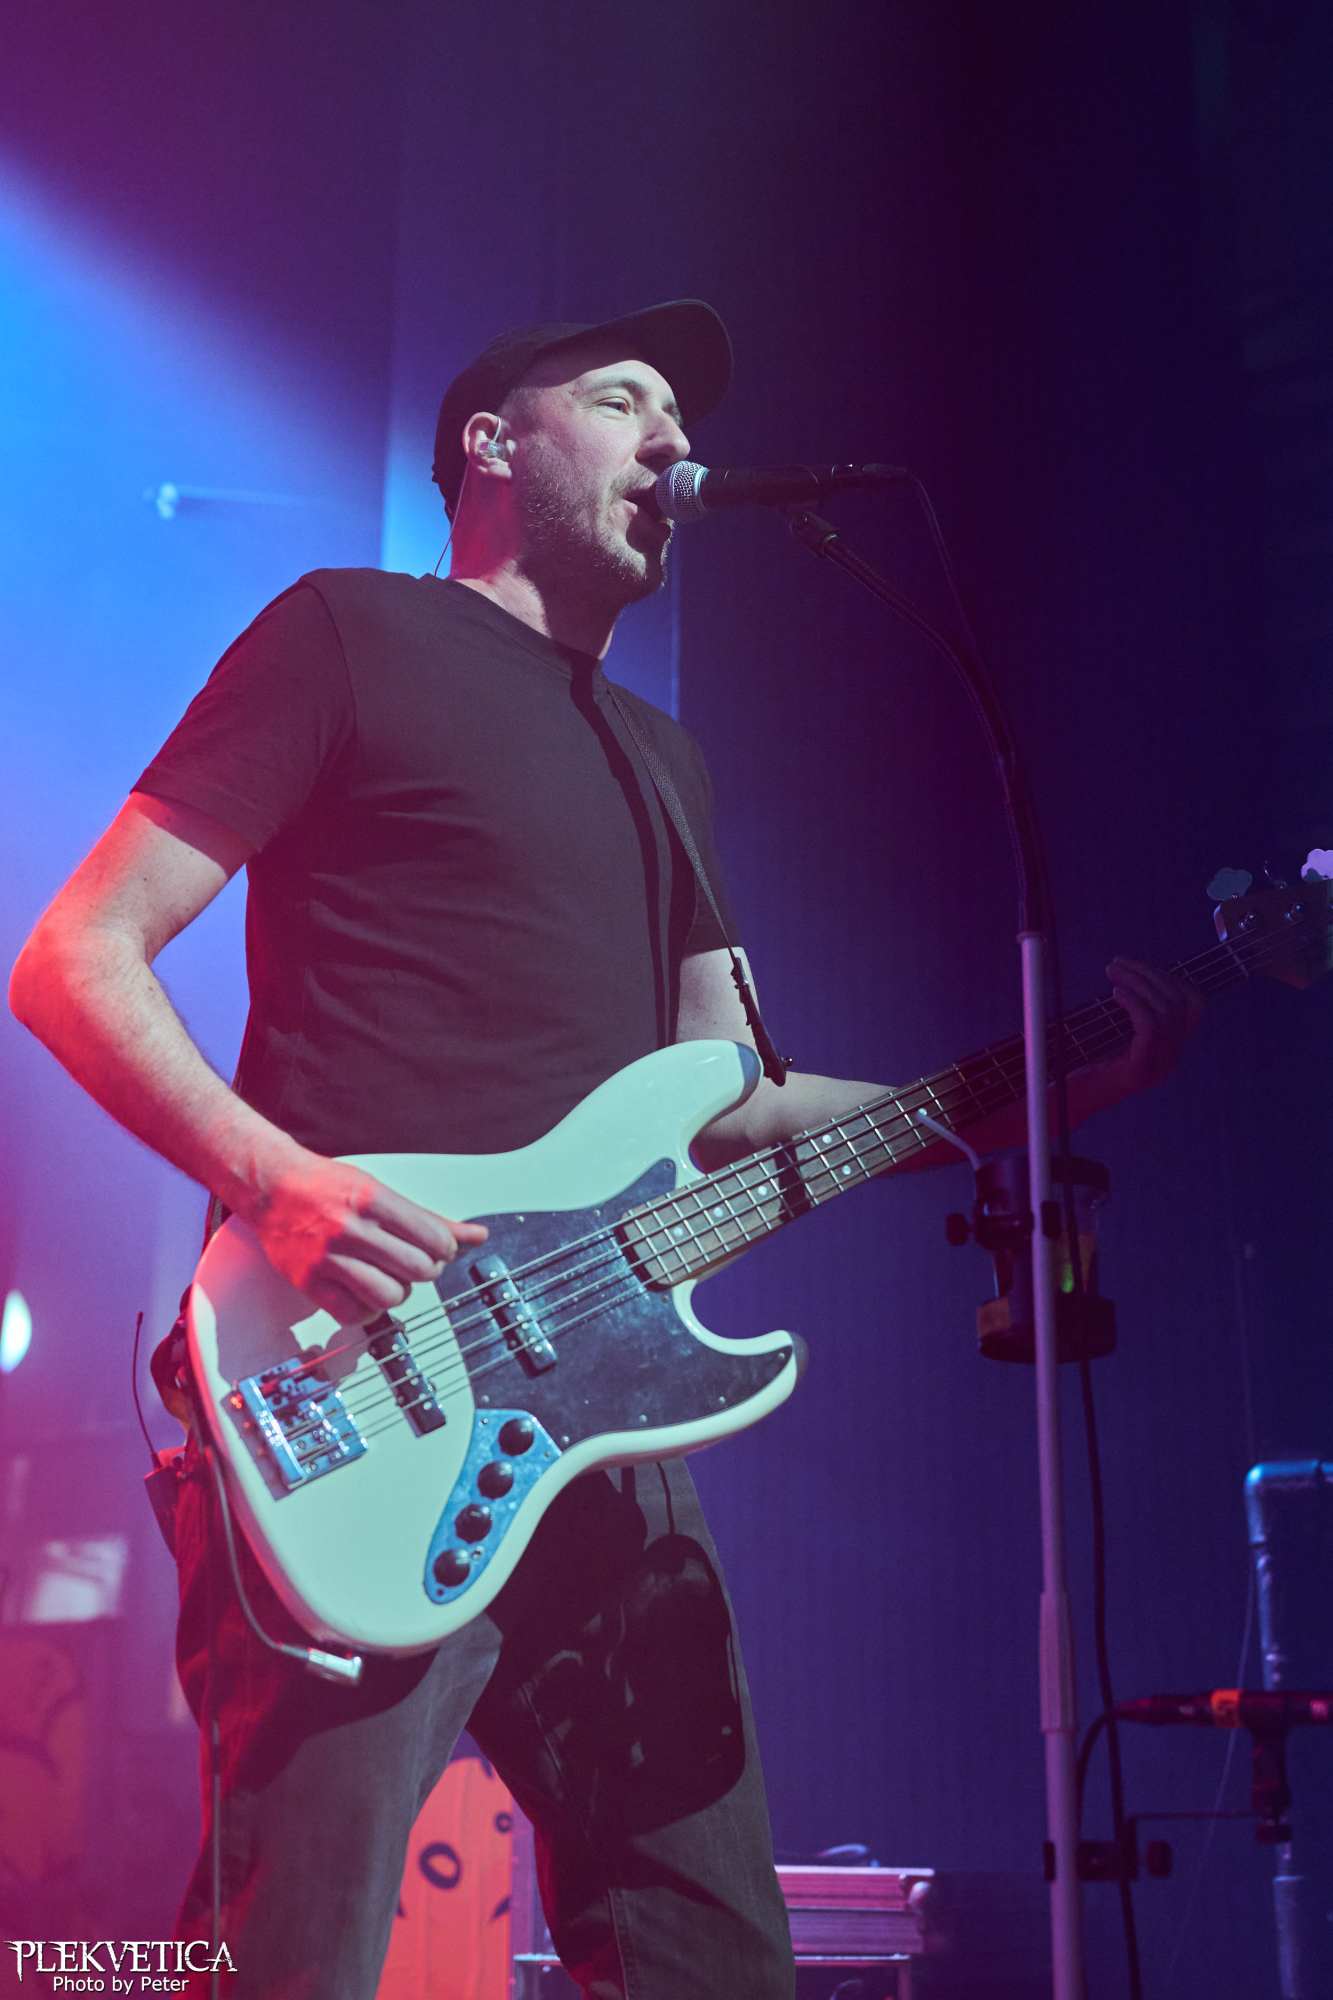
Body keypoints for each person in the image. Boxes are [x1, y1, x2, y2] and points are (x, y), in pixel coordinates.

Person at [9, 298, 1199, 1999]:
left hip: (608, 1420)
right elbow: (76, 957)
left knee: (709, 1955)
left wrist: (1049, 1085)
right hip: (352, 1389)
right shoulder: (350, 632)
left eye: (679, 416)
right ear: (491, 442)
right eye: (626, 399)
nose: (673, 440)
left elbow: (733, 1105)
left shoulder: (662, 760)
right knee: (287, 1952)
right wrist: (273, 1179)